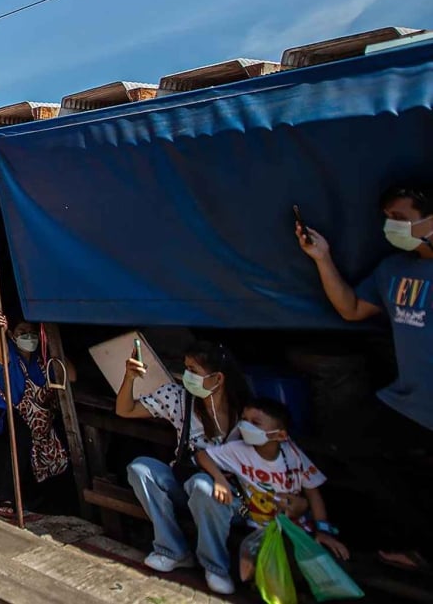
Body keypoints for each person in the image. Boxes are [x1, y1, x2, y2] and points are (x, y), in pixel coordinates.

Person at [298, 182, 433, 573]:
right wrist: (321, 257)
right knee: (350, 445)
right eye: (388, 219)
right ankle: (418, 543)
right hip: (408, 404)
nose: (392, 227)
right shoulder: (393, 269)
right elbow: (352, 308)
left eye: (402, 218)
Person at [115, 339, 250, 595]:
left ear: (218, 378)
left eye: (194, 371)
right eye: (185, 368)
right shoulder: (178, 398)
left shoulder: (245, 412)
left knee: (202, 487)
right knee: (140, 469)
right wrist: (130, 378)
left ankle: (216, 567)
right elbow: (125, 410)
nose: (187, 376)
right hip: (184, 485)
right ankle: (172, 549)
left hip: (231, 498)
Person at [196, 397, 348, 585]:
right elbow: (203, 455)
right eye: (244, 419)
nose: (245, 426)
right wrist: (219, 479)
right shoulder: (238, 450)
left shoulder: (293, 455)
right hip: (260, 530)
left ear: (280, 436)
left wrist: (323, 531)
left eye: (256, 423)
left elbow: (313, 493)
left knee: (332, 564)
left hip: (297, 528)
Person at [0, 312, 71, 519]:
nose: (28, 336)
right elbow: (0, 360)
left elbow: (70, 375)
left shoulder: (41, 361)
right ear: (12, 335)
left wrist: (55, 349)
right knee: (16, 432)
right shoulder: (8, 353)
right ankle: (8, 498)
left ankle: (47, 497)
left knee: (54, 434)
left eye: (32, 332)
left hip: (31, 414)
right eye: (22, 332)